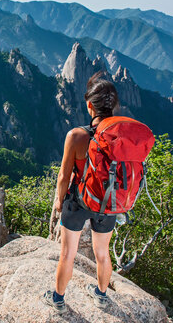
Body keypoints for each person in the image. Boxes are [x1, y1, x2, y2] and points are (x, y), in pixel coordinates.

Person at [44, 71, 119, 313]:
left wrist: (59, 201)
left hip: (78, 202)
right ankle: (101, 295)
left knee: (67, 253)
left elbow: (64, 176)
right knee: (102, 253)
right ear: (114, 106)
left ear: (89, 106)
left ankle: (57, 299)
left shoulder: (76, 136)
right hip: (107, 202)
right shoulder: (121, 137)